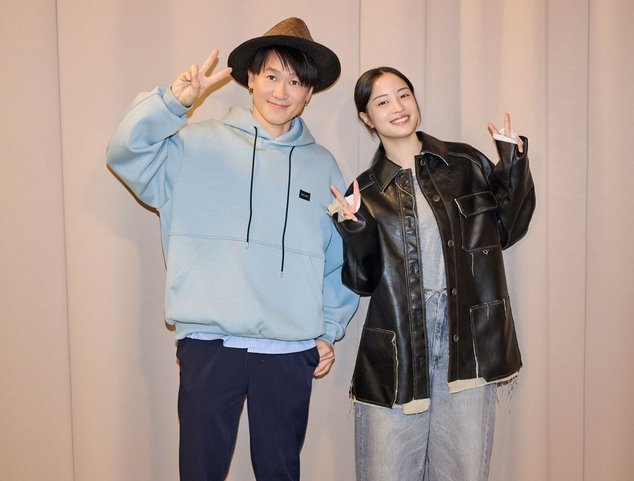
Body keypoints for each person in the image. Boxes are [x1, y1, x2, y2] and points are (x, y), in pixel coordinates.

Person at [106, 17, 359, 481]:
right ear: (250, 79)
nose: (281, 91)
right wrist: (173, 104)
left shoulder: (322, 165)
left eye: (296, 81)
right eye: (271, 76)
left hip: (290, 350)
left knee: (280, 473)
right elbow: (125, 153)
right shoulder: (193, 145)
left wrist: (328, 329)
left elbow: (341, 258)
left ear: (309, 93)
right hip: (209, 344)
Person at [329, 67, 536, 481]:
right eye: (382, 102)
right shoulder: (364, 193)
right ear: (367, 118)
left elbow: (507, 229)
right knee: (386, 471)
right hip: (399, 349)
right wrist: (354, 229)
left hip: (468, 339)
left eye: (403, 94)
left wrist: (513, 164)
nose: (397, 107)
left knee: (462, 470)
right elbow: (363, 282)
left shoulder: (465, 163)